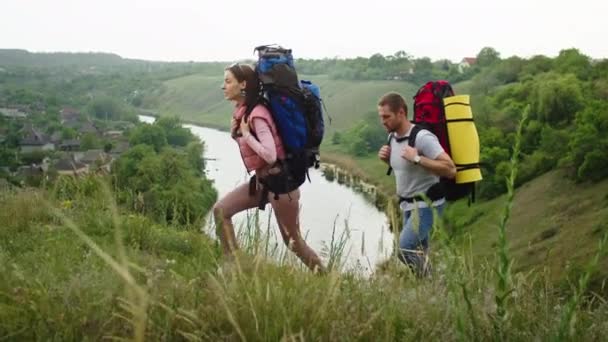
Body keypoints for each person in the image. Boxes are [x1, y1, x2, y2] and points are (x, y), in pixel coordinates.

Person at [213, 62, 325, 273]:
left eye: (228, 81)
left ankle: (328, 280)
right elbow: (254, 149)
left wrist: (245, 134)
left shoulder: (257, 114)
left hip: (282, 186)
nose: (223, 86)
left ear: (243, 84)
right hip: (263, 182)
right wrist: (236, 134)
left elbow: (270, 155)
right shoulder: (245, 110)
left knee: (293, 243)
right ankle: (233, 266)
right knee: (221, 211)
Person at [377, 92, 456, 276]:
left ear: (401, 113)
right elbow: (406, 169)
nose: (383, 121)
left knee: (405, 250)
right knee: (420, 254)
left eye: (387, 116)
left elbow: (450, 169)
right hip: (407, 205)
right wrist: (388, 161)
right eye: (381, 117)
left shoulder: (422, 137)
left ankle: (436, 282)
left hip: (426, 204)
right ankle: (430, 292)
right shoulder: (392, 138)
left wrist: (418, 158)